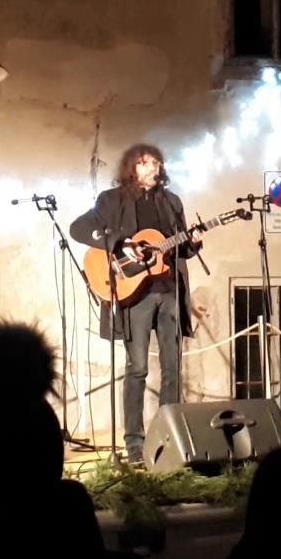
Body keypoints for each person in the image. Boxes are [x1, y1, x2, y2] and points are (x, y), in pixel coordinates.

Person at [70, 144, 203, 464]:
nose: (152, 168)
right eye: (144, 163)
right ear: (131, 168)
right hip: (134, 293)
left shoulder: (171, 202)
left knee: (172, 369)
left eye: (156, 163)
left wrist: (193, 244)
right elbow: (79, 229)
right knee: (138, 368)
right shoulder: (111, 200)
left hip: (169, 291)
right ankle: (134, 443)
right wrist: (121, 242)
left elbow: (179, 248)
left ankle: (169, 438)